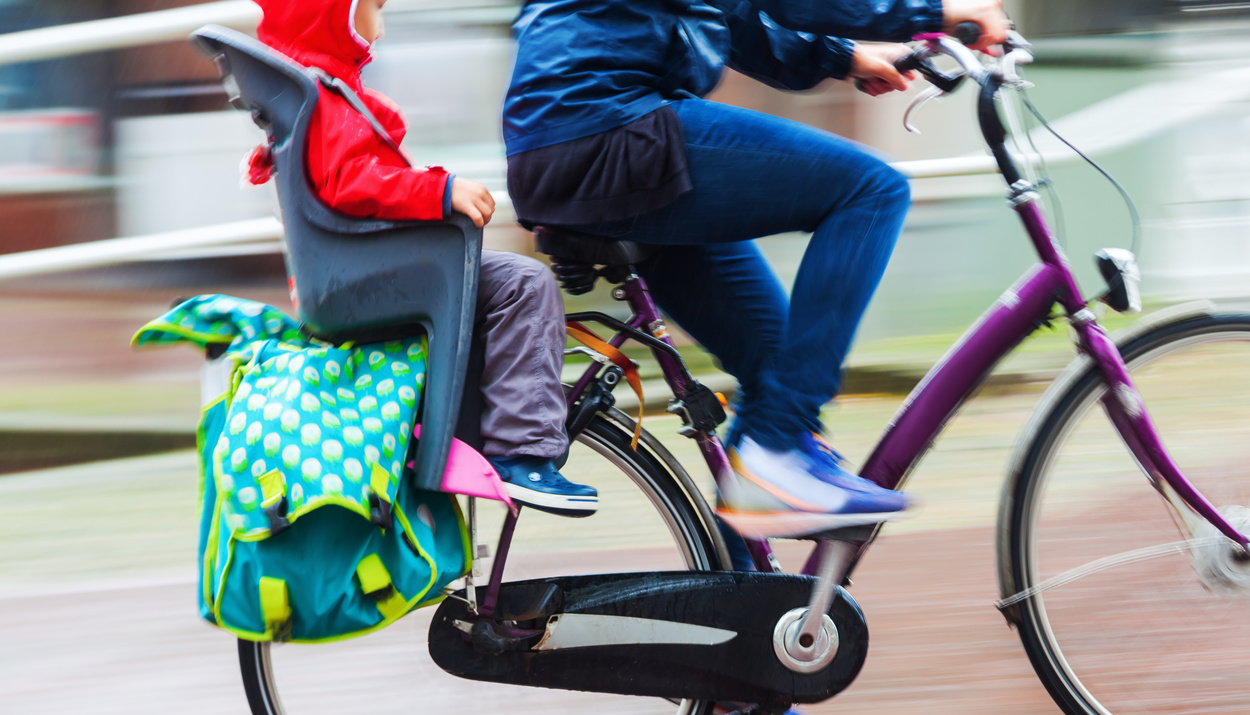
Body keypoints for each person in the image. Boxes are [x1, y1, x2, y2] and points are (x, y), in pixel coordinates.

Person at [503, 0, 1009, 541]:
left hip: (593, 139)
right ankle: (779, 448)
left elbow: (733, 19)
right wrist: (934, 9)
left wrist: (844, 57)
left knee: (774, 371)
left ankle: (745, 604)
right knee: (871, 188)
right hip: (610, 131)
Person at [248, 0, 597, 516]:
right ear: (332, 14)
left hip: (352, 269)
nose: (381, 19)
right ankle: (521, 456)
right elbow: (349, 181)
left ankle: (481, 428)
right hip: (363, 274)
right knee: (524, 284)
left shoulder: (315, 92)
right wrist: (440, 191)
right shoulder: (324, 96)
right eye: (374, 5)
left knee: (502, 285)